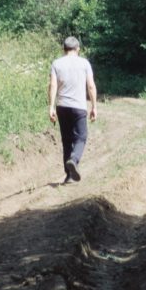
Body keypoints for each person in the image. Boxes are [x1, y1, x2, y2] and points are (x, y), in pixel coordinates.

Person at [48, 36, 97, 183]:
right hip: (78, 107)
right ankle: (74, 160)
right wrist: (94, 106)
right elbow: (90, 86)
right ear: (78, 49)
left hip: (62, 106)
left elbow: (53, 85)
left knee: (66, 140)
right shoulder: (84, 63)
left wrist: (51, 107)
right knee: (81, 137)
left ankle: (69, 175)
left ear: (64, 49)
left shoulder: (56, 63)